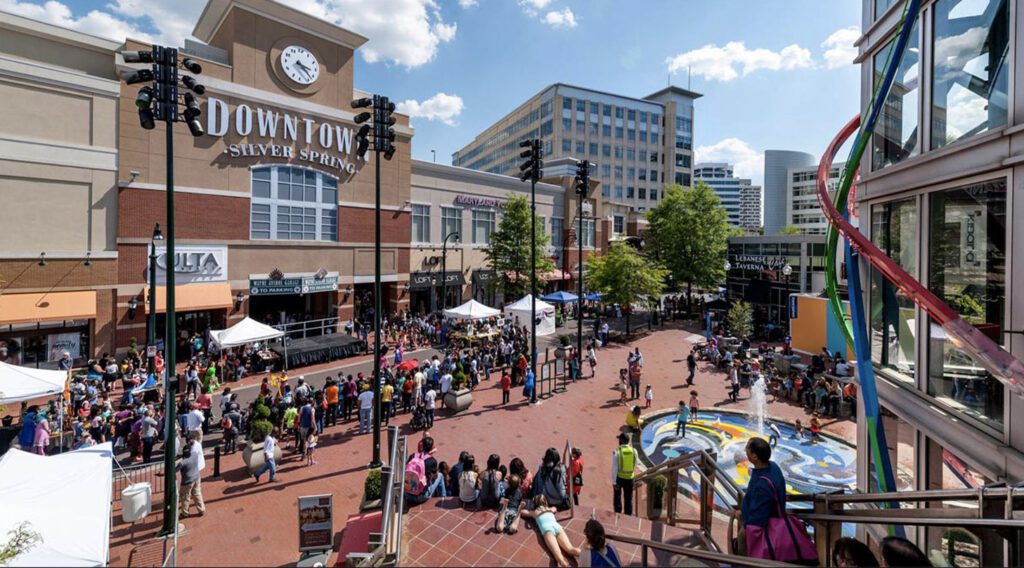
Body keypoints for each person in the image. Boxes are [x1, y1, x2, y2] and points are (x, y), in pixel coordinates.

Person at [519, 495, 581, 568]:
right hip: (557, 527)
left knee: (558, 555)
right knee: (570, 549)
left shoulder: (535, 512)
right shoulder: (550, 509)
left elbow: (522, 512)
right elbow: (555, 508)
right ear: (545, 502)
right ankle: (587, 555)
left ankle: (564, 565)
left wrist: (521, 507)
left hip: (548, 531)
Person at [740, 438, 786, 535]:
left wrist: (745, 523)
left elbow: (758, 519)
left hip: (761, 532)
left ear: (754, 456)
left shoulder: (762, 485)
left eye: (747, 448)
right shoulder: (773, 466)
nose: (745, 450)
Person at [177, 439, 205, 518]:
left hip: (187, 482)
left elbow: (175, 470)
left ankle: (185, 513)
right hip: (196, 478)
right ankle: (201, 510)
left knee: (185, 497)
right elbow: (190, 454)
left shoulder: (182, 463)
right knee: (197, 494)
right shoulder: (195, 455)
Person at [611, 433, 636, 515]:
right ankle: (628, 515)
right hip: (630, 478)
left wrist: (614, 482)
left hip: (619, 478)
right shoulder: (634, 451)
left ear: (621, 441)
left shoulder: (617, 452)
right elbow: (634, 463)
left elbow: (614, 468)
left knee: (617, 497)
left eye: (619, 439)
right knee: (628, 498)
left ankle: (617, 514)